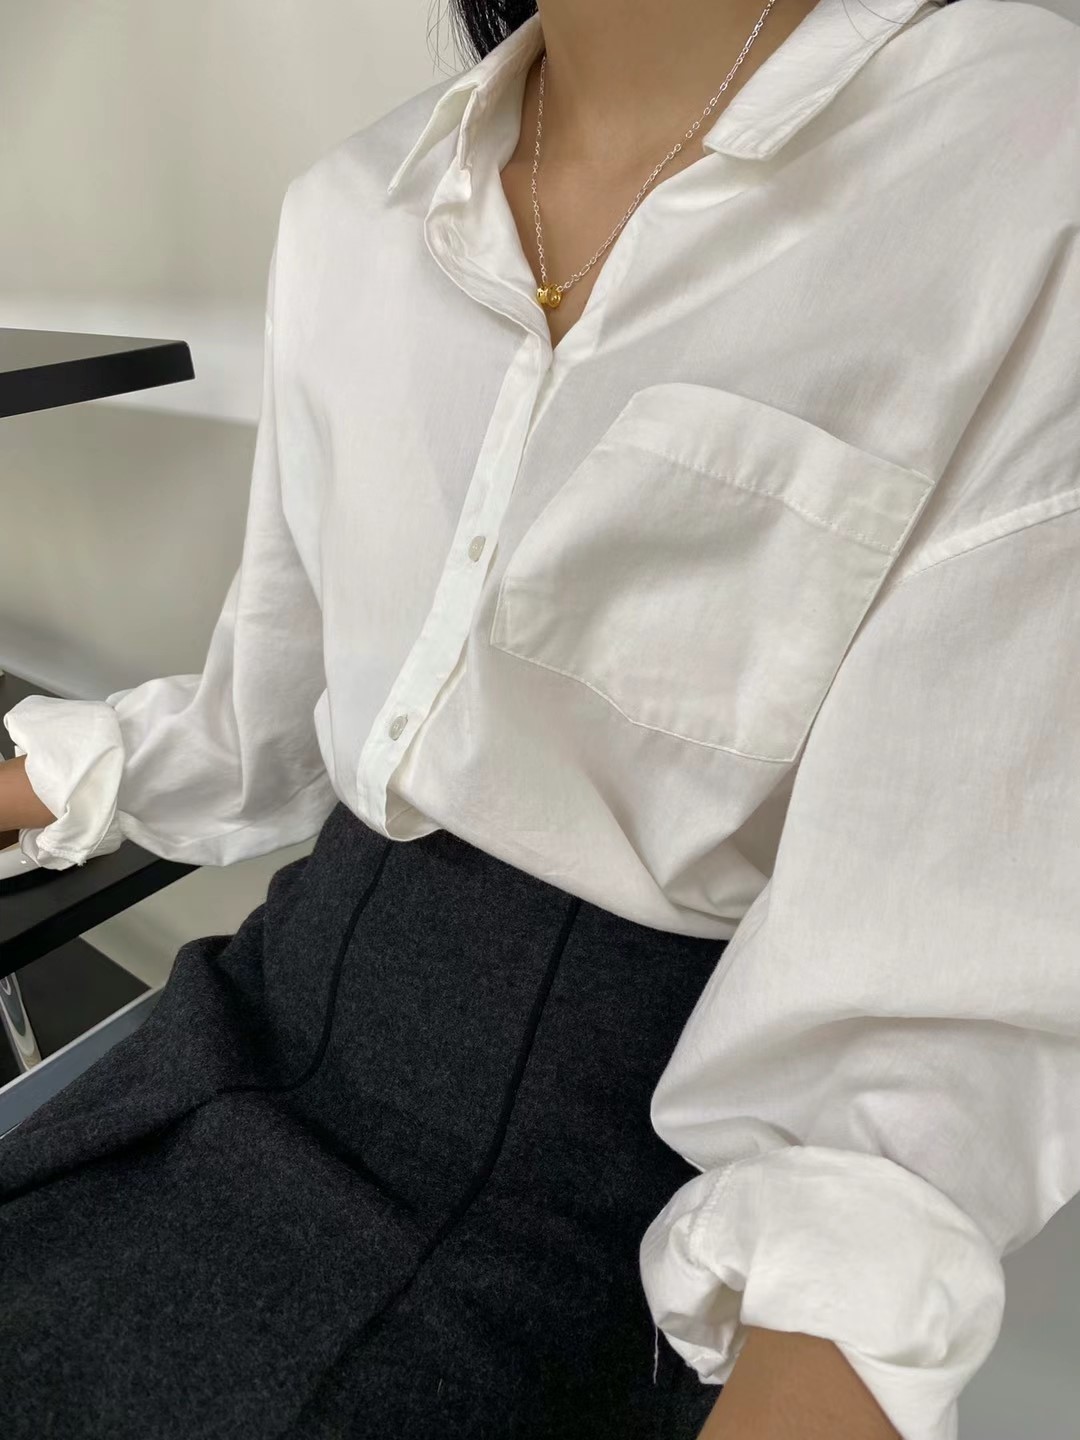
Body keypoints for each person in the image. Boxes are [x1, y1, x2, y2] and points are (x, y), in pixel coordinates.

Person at [1, 0, 1078, 1435]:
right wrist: (30, 785)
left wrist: (817, 1340)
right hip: (250, 1016)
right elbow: (275, 707)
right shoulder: (354, 211)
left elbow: (937, 1019)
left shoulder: (1022, 161)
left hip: (591, 1186)